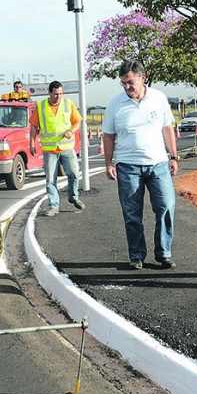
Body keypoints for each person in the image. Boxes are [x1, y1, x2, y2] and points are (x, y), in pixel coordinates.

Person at [102, 60, 179, 270]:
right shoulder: (115, 104)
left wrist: (173, 156)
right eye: (123, 83)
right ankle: (136, 255)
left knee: (166, 206)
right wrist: (108, 163)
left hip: (158, 164)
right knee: (132, 214)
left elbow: (167, 128)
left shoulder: (159, 98)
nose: (127, 87)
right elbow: (108, 135)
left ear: (142, 78)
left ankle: (164, 253)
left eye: (130, 82)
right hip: (128, 166)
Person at [30, 81, 85, 216]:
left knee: (74, 173)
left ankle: (73, 197)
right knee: (50, 179)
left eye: (61, 94)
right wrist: (32, 143)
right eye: (55, 94)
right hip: (50, 150)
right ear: (49, 93)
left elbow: (77, 121)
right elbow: (34, 126)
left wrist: (71, 131)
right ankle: (53, 206)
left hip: (66, 147)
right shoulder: (41, 106)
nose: (58, 96)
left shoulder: (68, 104)